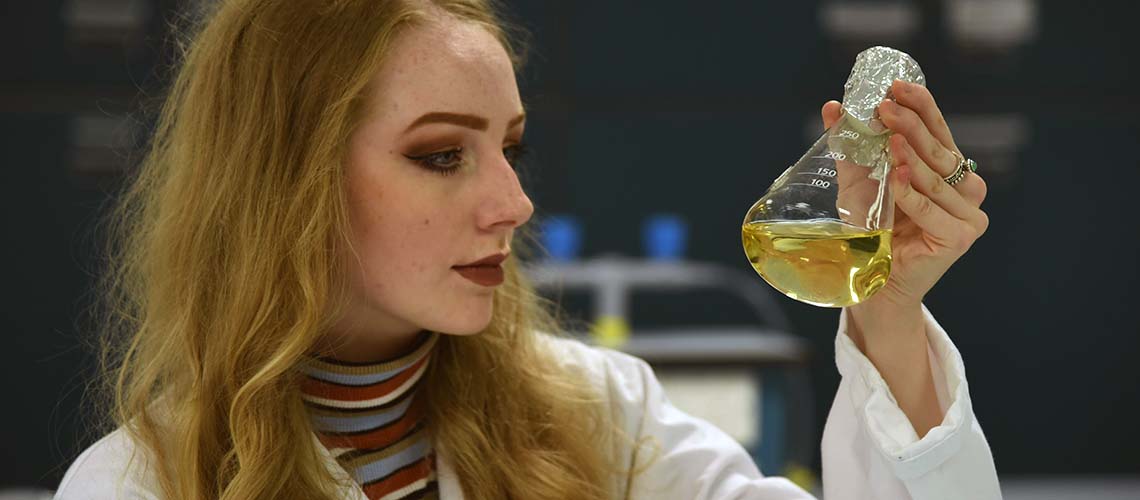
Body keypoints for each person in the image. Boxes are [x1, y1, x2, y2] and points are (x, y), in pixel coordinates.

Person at [54, 1, 1000, 499]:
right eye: (439, 156)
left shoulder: (599, 418)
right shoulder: (137, 487)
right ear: (284, 184)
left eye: (510, 149)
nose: (514, 203)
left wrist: (885, 302)